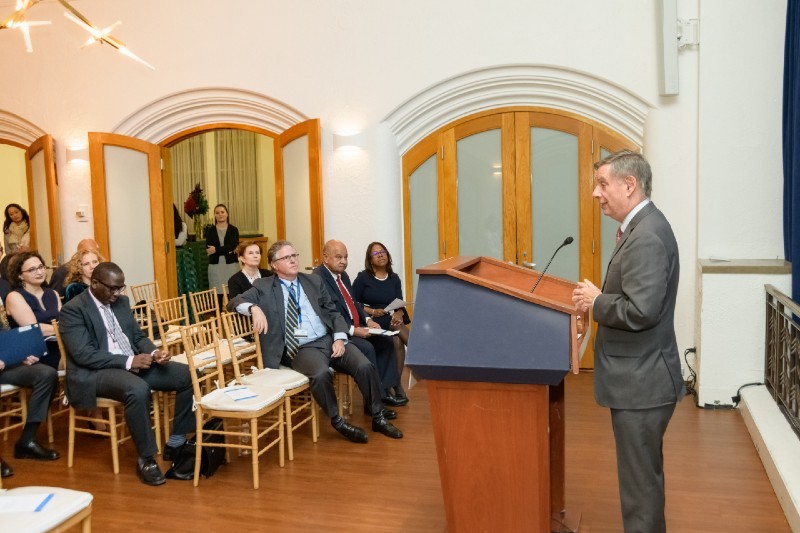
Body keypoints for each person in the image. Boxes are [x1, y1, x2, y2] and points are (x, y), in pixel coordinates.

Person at [571, 150, 684, 533]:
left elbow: (641, 311)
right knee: (643, 481)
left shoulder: (647, 235)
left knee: (640, 490)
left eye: (602, 183)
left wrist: (596, 301)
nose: (595, 193)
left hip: (643, 384)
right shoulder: (641, 227)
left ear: (629, 184)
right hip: (641, 379)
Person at [227, 240, 403, 443]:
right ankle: (338, 421)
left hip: (328, 338)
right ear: (275, 265)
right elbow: (234, 302)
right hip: (302, 347)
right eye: (286, 257)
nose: (293, 260)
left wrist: (339, 337)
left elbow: (333, 312)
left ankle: (378, 416)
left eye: (294, 255)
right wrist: (253, 309)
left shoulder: (312, 281)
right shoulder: (264, 286)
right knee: (320, 374)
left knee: (364, 364)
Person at [59, 262, 196, 486]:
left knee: (188, 374)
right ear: (94, 283)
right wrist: (130, 360)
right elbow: (84, 355)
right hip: (95, 372)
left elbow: (137, 336)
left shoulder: (121, 302)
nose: (117, 293)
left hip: (129, 364)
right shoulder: (74, 309)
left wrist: (154, 351)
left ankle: (176, 440)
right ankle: (146, 459)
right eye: (112, 288)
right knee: (137, 389)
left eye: (120, 288)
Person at [313, 240, 404, 411]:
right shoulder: (318, 279)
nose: (344, 261)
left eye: (346, 257)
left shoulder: (343, 276)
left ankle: (384, 392)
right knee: (368, 347)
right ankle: (373, 404)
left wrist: (368, 321)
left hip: (357, 325)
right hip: (337, 334)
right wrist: (355, 330)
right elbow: (327, 314)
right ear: (325, 257)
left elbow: (354, 303)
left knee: (386, 341)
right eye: (338, 257)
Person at [0, 299, 60, 479]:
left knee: (46, 374)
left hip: (5, 365)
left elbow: (4, 336)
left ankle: (27, 441)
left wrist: (18, 355)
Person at [352, 242, 410, 402]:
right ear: (370, 260)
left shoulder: (394, 278)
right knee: (394, 326)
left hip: (390, 318)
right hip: (372, 320)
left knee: (397, 340)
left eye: (383, 251)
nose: (381, 255)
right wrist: (372, 311)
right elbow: (352, 302)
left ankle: (395, 384)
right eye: (376, 253)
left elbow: (399, 303)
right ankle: (418, 351)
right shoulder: (363, 278)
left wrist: (398, 313)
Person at [5, 251, 62, 370]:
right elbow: (34, 330)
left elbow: (64, 320)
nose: (40, 272)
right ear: (19, 275)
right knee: (79, 361)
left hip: (61, 344)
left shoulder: (53, 293)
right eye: (32, 270)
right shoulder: (14, 296)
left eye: (41, 267)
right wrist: (67, 329)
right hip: (35, 353)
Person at [205, 204, 239, 305]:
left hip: (231, 265)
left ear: (227, 214)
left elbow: (232, 246)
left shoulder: (234, 230)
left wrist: (216, 249)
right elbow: (208, 248)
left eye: (222, 212)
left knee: (232, 292)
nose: (220, 214)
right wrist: (226, 249)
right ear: (214, 215)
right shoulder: (210, 230)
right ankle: (218, 318)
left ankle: (233, 318)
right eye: (217, 213)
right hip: (215, 266)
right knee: (217, 294)